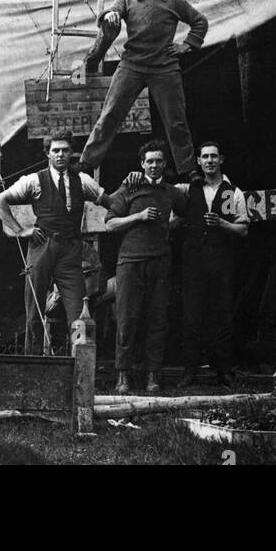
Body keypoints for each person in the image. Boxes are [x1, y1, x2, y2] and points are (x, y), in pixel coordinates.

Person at [79, 0, 207, 178]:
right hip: (132, 65)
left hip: (164, 67)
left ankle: (188, 170)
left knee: (176, 122)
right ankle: (87, 163)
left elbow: (200, 22)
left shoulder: (174, 1)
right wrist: (110, 16)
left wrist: (186, 46)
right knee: (110, 115)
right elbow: (111, 11)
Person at [0, 131, 113, 353]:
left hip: (70, 251)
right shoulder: (34, 180)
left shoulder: (83, 181)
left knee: (78, 311)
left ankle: (79, 362)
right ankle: (34, 363)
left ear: (71, 153)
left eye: (65, 150)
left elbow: (111, 203)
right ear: (48, 154)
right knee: (34, 309)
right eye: (55, 150)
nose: (60, 155)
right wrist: (20, 230)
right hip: (42, 247)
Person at [104, 140, 189, 396]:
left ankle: (153, 374)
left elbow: (186, 210)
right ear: (142, 164)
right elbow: (110, 224)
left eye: (158, 161)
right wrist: (137, 217)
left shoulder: (171, 192)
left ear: (165, 164)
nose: (154, 165)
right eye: (149, 161)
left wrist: (169, 225)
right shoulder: (129, 187)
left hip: (160, 261)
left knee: (157, 318)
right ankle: (123, 375)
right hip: (130, 261)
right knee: (127, 318)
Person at [177, 139, 248, 389]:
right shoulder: (188, 189)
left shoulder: (231, 192)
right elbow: (164, 196)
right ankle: (189, 371)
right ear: (198, 161)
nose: (209, 161)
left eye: (214, 156)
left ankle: (224, 371)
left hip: (221, 258)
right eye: (205, 157)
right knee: (192, 314)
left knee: (222, 313)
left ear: (221, 160)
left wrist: (222, 224)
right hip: (194, 259)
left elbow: (243, 228)